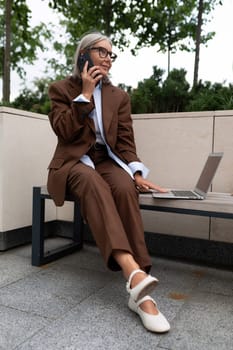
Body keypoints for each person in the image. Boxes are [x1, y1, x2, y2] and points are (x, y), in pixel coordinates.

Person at [47, 31, 170, 333]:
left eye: (110, 54)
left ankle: (138, 290)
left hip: (107, 160)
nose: (107, 58)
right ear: (84, 54)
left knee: (125, 187)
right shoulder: (62, 89)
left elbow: (125, 141)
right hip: (74, 162)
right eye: (101, 51)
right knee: (93, 183)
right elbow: (64, 132)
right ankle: (135, 277)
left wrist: (137, 173)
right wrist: (85, 95)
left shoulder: (119, 97)